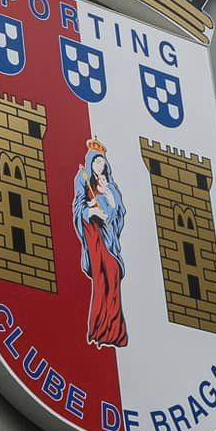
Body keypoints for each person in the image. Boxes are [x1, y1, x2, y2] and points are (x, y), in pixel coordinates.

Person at [72, 139, 127, 348]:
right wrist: (92, 211)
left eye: (102, 162)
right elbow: (79, 208)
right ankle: (98, 330)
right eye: (96, 162)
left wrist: (109, 195)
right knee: (101, 279)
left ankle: (114, 332)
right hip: (94, 236)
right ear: (90, 162)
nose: (100, 165)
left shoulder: (110, 185)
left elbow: (119, 213)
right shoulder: (83, 179)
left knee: (113, 275)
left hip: (109, 238)